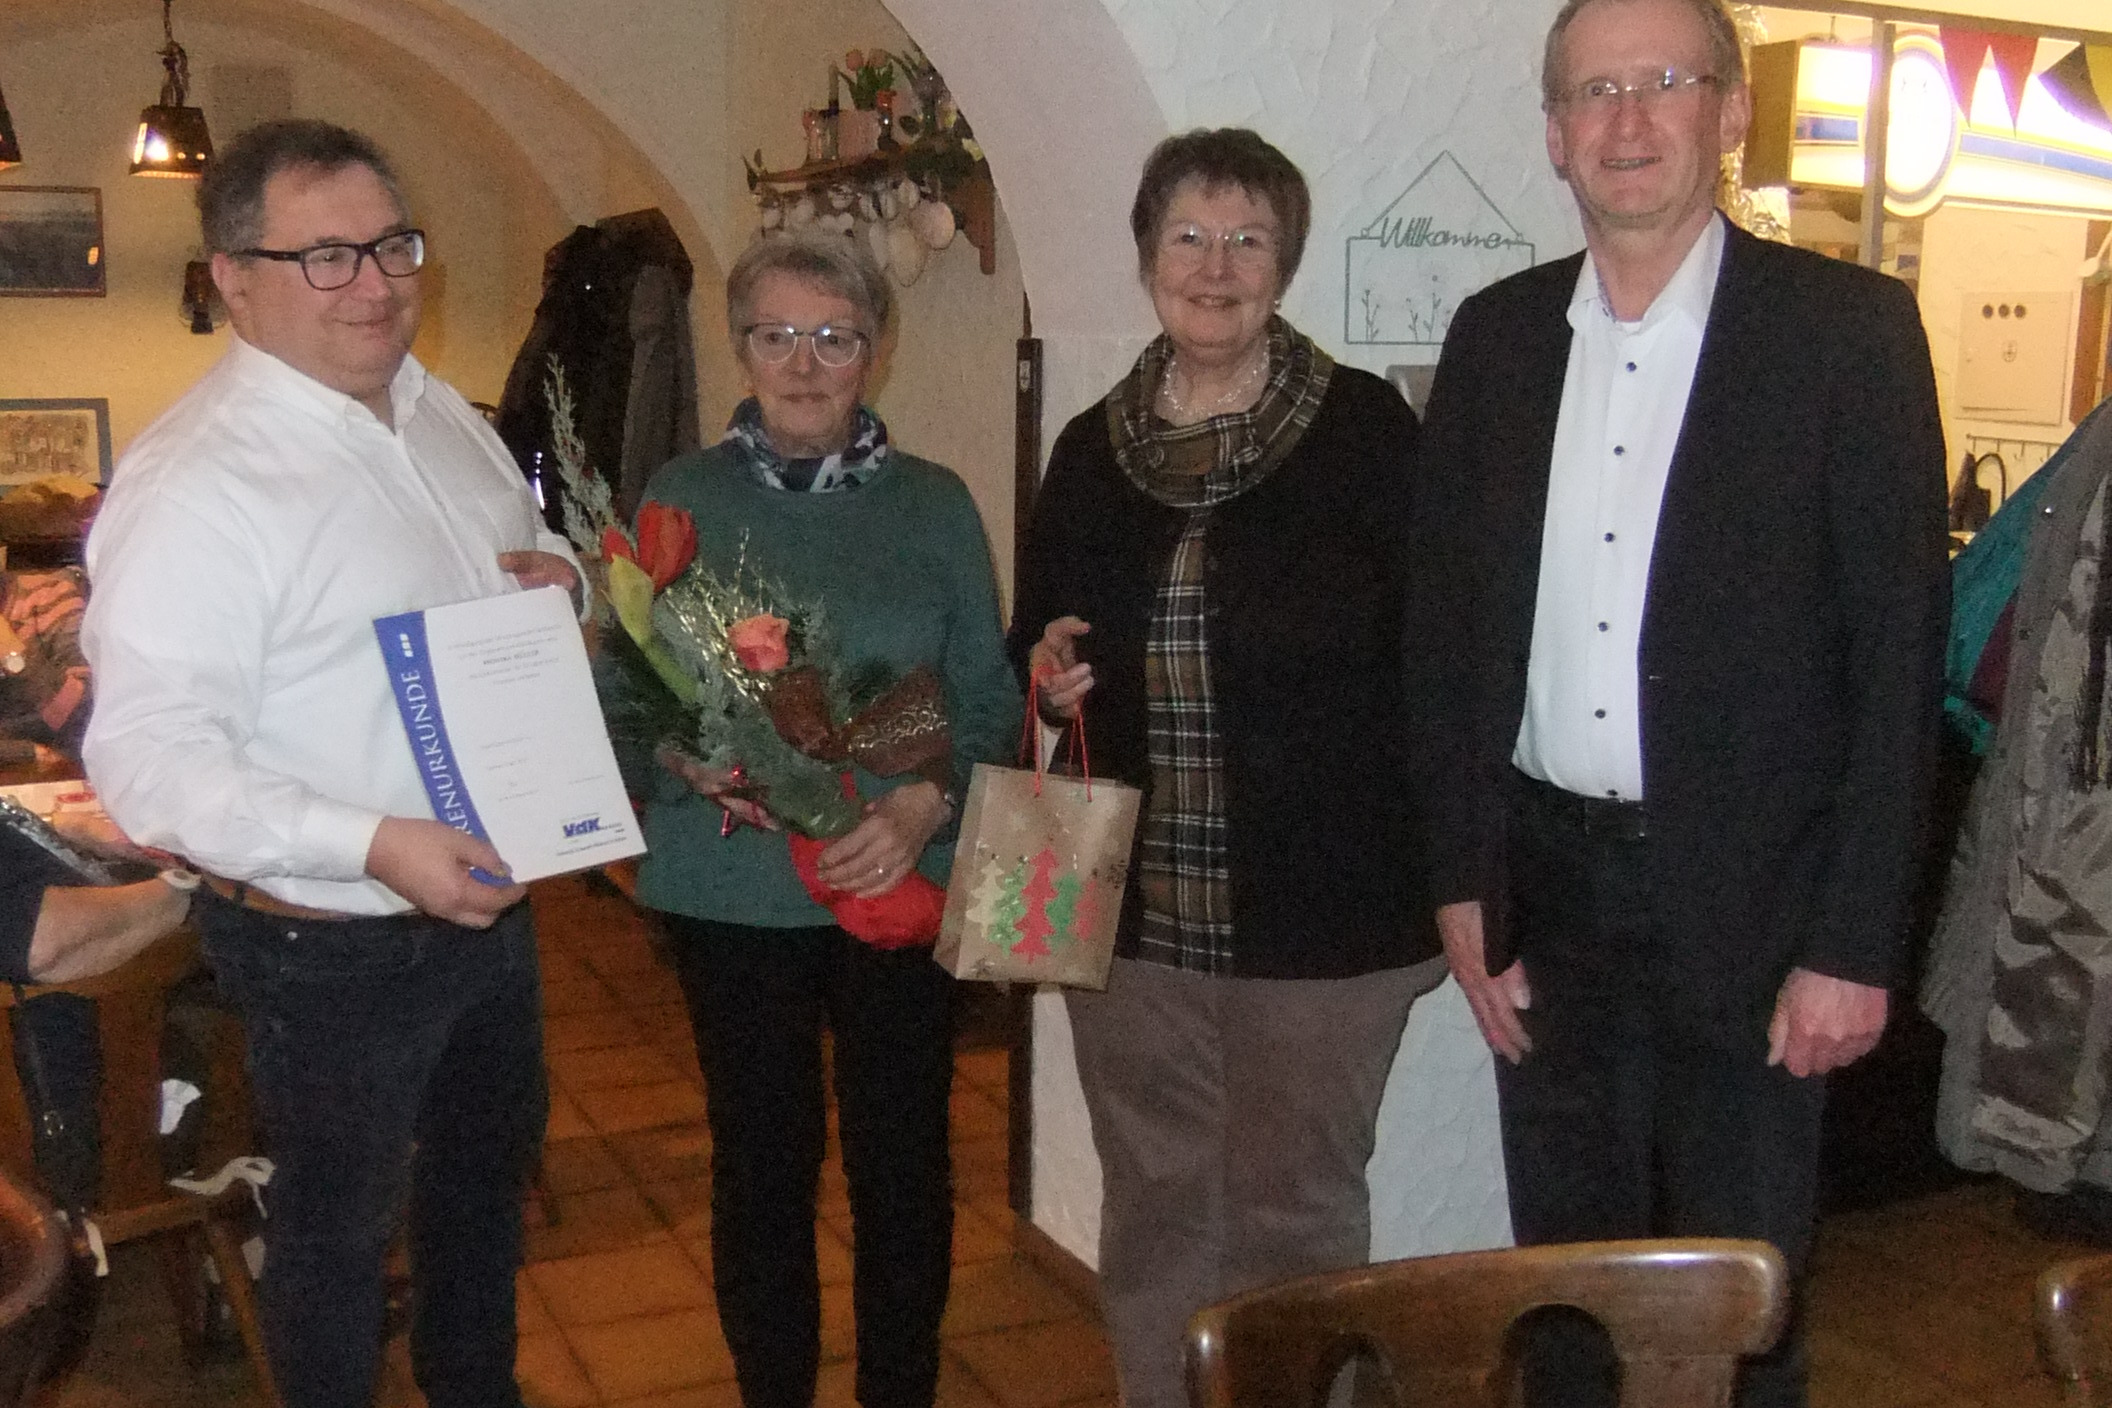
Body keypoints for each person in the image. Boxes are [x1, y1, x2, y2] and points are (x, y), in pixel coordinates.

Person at [1403, 1, 1949, 1404]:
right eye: (1595, 93)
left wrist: (1855, 943)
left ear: (1730, 113)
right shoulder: (1497, 340)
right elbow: (1450, 638)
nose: (1628, 121)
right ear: (1552, 136)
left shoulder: (1848, 335)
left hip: (1761, 911)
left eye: (1664, 83)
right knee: (1566, 1292)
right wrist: (1463, 882)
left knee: (1741, 1299)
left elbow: (1901, 657)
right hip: (1548, 893)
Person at [81, 119, 581, 1408]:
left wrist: (562, 582)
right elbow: (143, 757)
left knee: (479, 1208)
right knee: (332, 1248)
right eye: (326, 255)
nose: (375, 280)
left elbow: (525, 566)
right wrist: (374, 841)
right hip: (332, 942)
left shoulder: (442, 413)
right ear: (231, 277)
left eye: (393, 243)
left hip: (490, 909)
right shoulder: (197, 485)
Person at [1011, 128, 1442, 1408]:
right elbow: (1035, 631)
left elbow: (1440, 653)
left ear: (1284, 265)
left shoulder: (1365, 430)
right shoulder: (1093, 446)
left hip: (1326, 926)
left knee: (1294, 1218)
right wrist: (1046, 670)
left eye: (1247, 239)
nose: (1216, 265)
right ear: (1148, 257)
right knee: (1154, 1210)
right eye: (1188, 237)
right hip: (1134, 920)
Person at [629, 231, 1019, 1408]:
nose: (804, 364)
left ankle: (899, 1390)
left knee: (904, 1164)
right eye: (776, 335)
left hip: (898, 881)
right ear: (740, 347)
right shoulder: (680, 496)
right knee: (763, 1163)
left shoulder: (936, 504)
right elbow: (635, 678)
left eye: (834, 337)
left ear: (874, 353)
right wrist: (681, 755)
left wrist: (923, 801)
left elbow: (989, 697)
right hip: (736, 887)